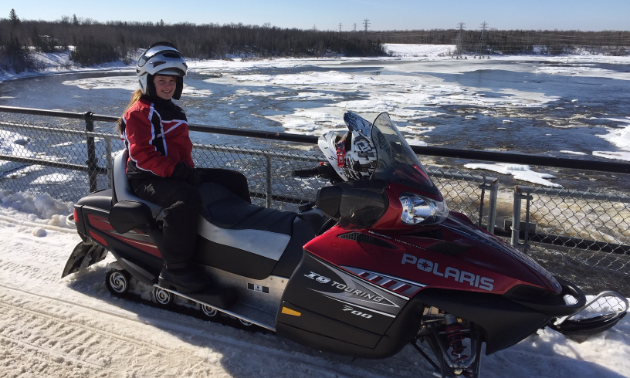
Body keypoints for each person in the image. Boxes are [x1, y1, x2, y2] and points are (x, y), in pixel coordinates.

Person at [116, 42, 251, 294]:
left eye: (173, 81)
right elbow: (143, 155)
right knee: (185, 198)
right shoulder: (140, 112)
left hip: (172, 172)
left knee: (234, 181)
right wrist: (179, 173)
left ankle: (239, 243)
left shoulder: (171, 110)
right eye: (162, 81)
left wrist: (187, 171)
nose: (169, 86)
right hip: (145, 178)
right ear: (148, 81)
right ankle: (175, 268)